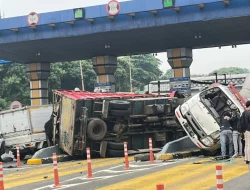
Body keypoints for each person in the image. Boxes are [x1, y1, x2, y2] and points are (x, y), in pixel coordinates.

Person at [240, 100, 250, 170]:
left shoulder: (243, 113)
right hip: (249, 130)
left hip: (244, 131)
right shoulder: (249, 113)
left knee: (246, 144)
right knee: (249, 145)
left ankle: (246, 158)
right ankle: (249, 159)